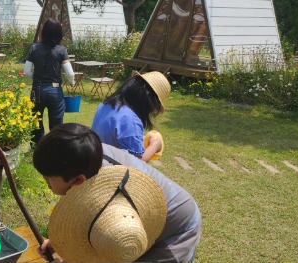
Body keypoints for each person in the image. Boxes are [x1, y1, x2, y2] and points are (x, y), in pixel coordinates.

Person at [33, 123, 201, 263]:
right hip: (141, 220)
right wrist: (61, 243)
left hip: (177, 229)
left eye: (48, 179)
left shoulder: (108, 201)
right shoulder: (85, 155)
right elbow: (86, 228)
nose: (45, 182)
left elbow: (106, 252)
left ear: (78, 181)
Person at [91, 71, 170, 162]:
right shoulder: (130, 120)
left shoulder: (106, 104)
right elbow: (135, 162)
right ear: (149, 99)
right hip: (111, 170)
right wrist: (155, 145)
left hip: (97, 160)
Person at [24, 18, 76, 145]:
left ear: (44, 32)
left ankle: (36, 145)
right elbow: (69, 73)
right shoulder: (61, 50)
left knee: (36, 119)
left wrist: (35, 78)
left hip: (38, 90)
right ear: (59, 34)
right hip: (55, 90)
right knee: (56, 122)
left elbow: (27, 71)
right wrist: (72, 82)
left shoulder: (34, 48)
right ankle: (55, 146)